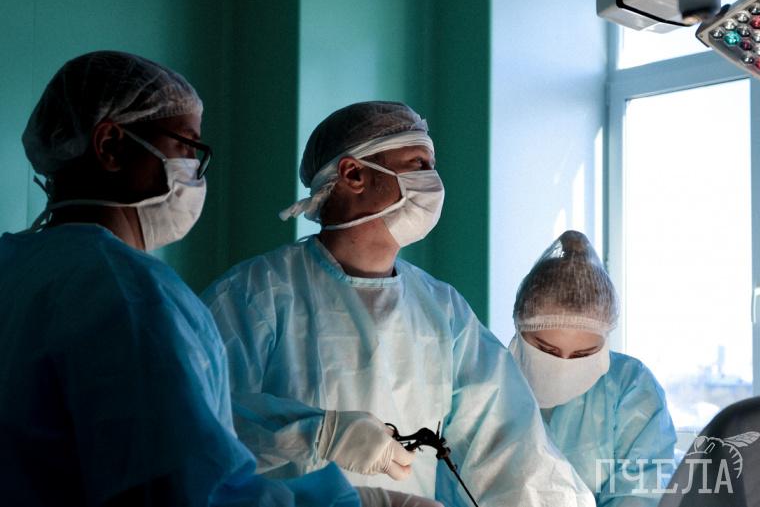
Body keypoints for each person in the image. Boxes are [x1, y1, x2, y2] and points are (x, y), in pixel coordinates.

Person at [0, 50, 358, 507]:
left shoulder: (16, 264)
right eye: (186, 146)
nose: (195, 168)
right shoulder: (128, 294)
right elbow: (184, 493)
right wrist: (339, 500)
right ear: (110, 145)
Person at [203, 101, 595, 507]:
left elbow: (511, 447)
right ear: (353, 174)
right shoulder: (255, 294)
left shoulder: (442, 310)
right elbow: (198, 423)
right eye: (418, 164)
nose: (434, 182)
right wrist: (315, 433)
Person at [508, 230, 677, 506]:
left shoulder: (631, 387)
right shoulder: (488, 384)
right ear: (519, 325)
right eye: (547, 351)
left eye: (583, 355)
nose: (562, 367)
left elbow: (639, 494)